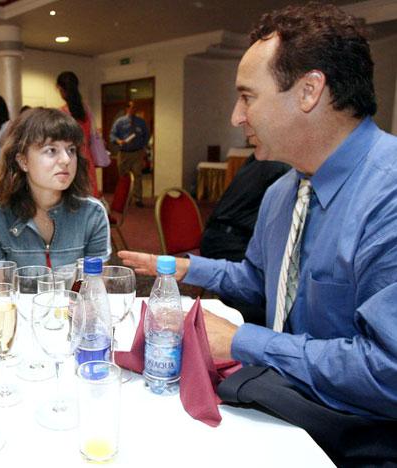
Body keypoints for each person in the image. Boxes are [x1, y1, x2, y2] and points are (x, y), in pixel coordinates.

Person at [120, 3, 397, 421]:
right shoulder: (282, 192)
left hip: (353, 430)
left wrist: (241, 341)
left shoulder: (388, 195)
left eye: (247, 96)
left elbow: (388, 371)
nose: (236, 116)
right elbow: (260, 281)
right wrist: (187, 268)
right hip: (278, 396)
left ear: (309, 91)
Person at [0, 107, 110, 286]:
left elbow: (95, 290)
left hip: (74, 305)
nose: (66, 160)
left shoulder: (92, 213)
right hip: (19, 305)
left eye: (71, 150)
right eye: (51, 150)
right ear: (23, 161)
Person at [200, 153, 290, 325]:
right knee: (262, 301)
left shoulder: (260, 157)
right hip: (230, 239)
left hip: (219, 234)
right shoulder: (284, 168)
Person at [56, 71, 100, 198]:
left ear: (61, 89)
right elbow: (92, 134)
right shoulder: (86, 110)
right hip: (87, 157)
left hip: (70, 158)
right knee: (88, 194)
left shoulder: (61, 113)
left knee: (72, 197)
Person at [109, 100, 149, 207]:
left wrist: (143, 150)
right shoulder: (120, 122)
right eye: (131, 107)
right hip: (123, 154)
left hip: (137, 153)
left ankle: (138, 199)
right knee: (124, 177)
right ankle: (125, 199)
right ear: (127, 109)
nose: (133, 110)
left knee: (138, 175)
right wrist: (118, 141)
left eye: (135, 108)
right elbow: (112, 135)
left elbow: (146, 136)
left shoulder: (141, 122)